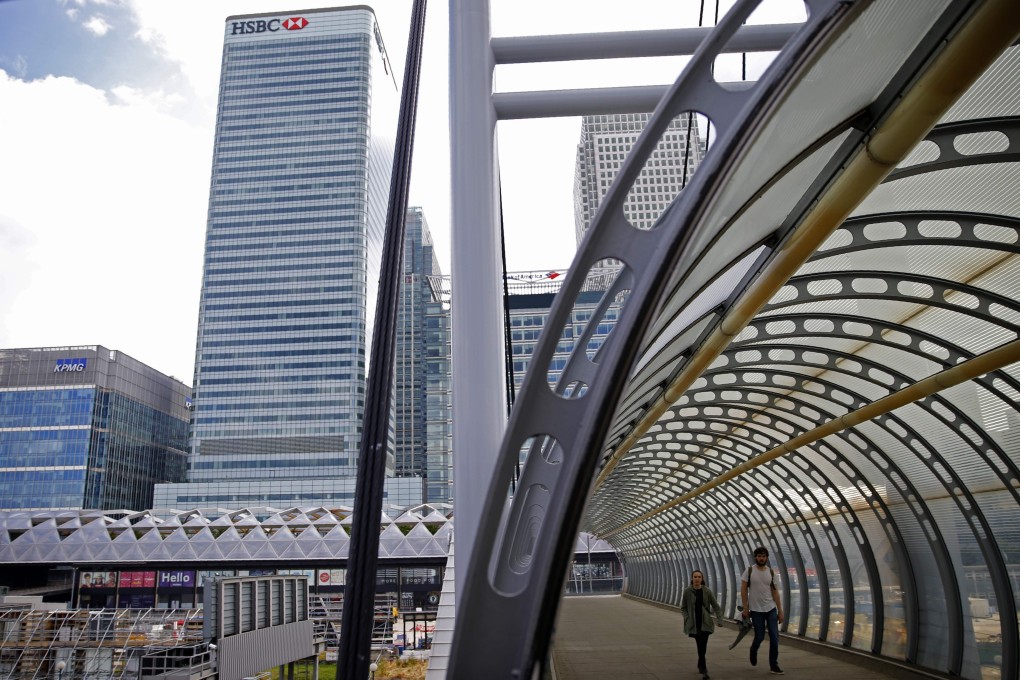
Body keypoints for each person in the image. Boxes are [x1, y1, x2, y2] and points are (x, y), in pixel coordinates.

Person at [741, 546, 785, 674]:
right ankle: (753, 650)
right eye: (759, 556)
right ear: (755, 557)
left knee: (774, 637)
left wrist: (780, 611)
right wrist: (745, 608)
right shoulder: (749, 571)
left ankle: (774, 664)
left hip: (770, 609)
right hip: (755, 610)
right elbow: (743, 589)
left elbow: (775, 593)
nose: (761, 558)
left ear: (767, 558)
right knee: (759, 636)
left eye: (764, 556)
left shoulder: (771, 572)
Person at [680, 569, 722, 679]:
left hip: (706, 623)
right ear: (692, 578)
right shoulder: (687, 591)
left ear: (702, 579)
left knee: (703, 645)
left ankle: (700, 663)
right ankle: (704, 669)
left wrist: (720, 620)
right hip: (694, 623)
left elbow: (716, 606)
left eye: (699, 577)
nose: (697, 579)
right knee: (700, 645)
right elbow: (683, 607)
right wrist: (687, 617)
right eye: (695, 577)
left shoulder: (707, 591)